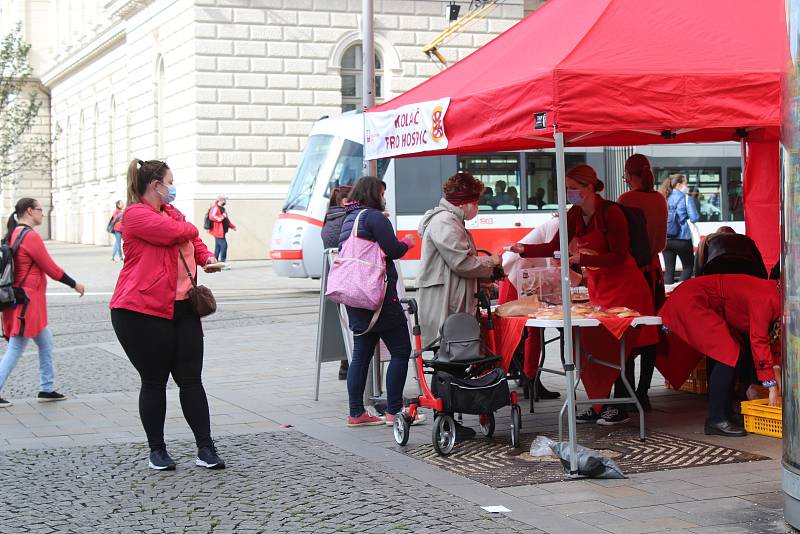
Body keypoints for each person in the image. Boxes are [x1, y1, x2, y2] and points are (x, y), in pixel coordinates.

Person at [510, 164, 657, 425]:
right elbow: (556, 246)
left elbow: (620, 255)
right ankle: (597, 402)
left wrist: (582, 258)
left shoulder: (611, 213)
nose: (570, 194)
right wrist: (523, 250)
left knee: (620, 345)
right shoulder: (575, 213)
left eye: (574, 189)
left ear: (590, 187)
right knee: (590, 343)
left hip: (625, 286)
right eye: (567, 189)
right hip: (599, 286)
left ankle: (619, 405)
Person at [110, 159, 225, 471]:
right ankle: (157, 451)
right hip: (140, 310)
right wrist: (188, 229)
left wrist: (208, 257)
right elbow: (176, 233)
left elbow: (194, 241)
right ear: (155, 185)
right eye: (169, 182)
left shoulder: (171, 213)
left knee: (191, 379)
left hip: (183, 306)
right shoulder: (135, 215)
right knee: (154, 380)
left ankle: (205, 448)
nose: (173, 188)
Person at [338, 176, 422, 427]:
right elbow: (393, 250)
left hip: (355, 296)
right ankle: (394, 411)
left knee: (361, 355)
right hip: (379, 297)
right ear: (374, 193)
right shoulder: (374, 217)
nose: (384, 197)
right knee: (400, 351)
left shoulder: (349, 218)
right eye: (382, 192)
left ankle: (356, 413)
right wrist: (408, 241)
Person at [659, 274, 781, 437]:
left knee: (737, 352)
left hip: (700, 300)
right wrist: (772, 387)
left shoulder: (775, 295)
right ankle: (716, 419)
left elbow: (773, 345)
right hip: (693, 300)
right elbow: (759, 340)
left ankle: (725, 412)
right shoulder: (767, 300)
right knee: (728, 354)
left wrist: (778, 384)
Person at [0, 198, 86, 408]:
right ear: (29, 211)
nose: (43, 213)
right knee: (16, 347)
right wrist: (74, 284)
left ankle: (46, 389)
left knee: (45, 341)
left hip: (23, 301)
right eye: (40, 209)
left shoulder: (13, 234)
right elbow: (50, 268)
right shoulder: (30, 236)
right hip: (27, 303)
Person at [417, 172, 500, 349]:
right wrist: (491, 262)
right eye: (476, 203)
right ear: (463, 203)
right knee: (450, 352)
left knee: (451, 352)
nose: (477, 207)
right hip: (446, 298)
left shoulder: (451, 219)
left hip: (450, 294)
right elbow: (461, 263)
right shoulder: (445, 221)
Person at [617, 154, 667, 411]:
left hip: (632, 272)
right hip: (655, 274)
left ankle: (624, 390)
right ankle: (643, 391)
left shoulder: (626, 200)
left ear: (628, 175)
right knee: (650, 332)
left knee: (625, 330)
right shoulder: (659, 199)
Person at [321, 185, 352, 380]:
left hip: (334, 279)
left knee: (345, 324)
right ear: (345, 201)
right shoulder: (345, 220)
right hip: (348, 279)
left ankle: (345, 366)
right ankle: (349, 365)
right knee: (353, 326)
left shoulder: (329, 218)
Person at [659, 173, 700, 283]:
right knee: (688, 267)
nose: (687, 187)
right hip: (682, 239)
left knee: (669, 271)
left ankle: (668, 295)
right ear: (678, 185)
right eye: (685, 184)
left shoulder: (663, 197)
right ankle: (679, 291)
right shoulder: (686, 198)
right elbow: (694, 218)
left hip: (666, 240)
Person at [207, 195, 236, 264]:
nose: (225, 201)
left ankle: (215, 262)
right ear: (220, 200)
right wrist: (222, 216)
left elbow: (226, 220)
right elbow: (212, 217)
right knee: (224, 245)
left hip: (222, 231)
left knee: (218, 247)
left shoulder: (222, 209)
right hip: (217, 231)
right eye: (224, 200)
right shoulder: (215, 208)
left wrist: (232, 226)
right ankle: (222, 262)